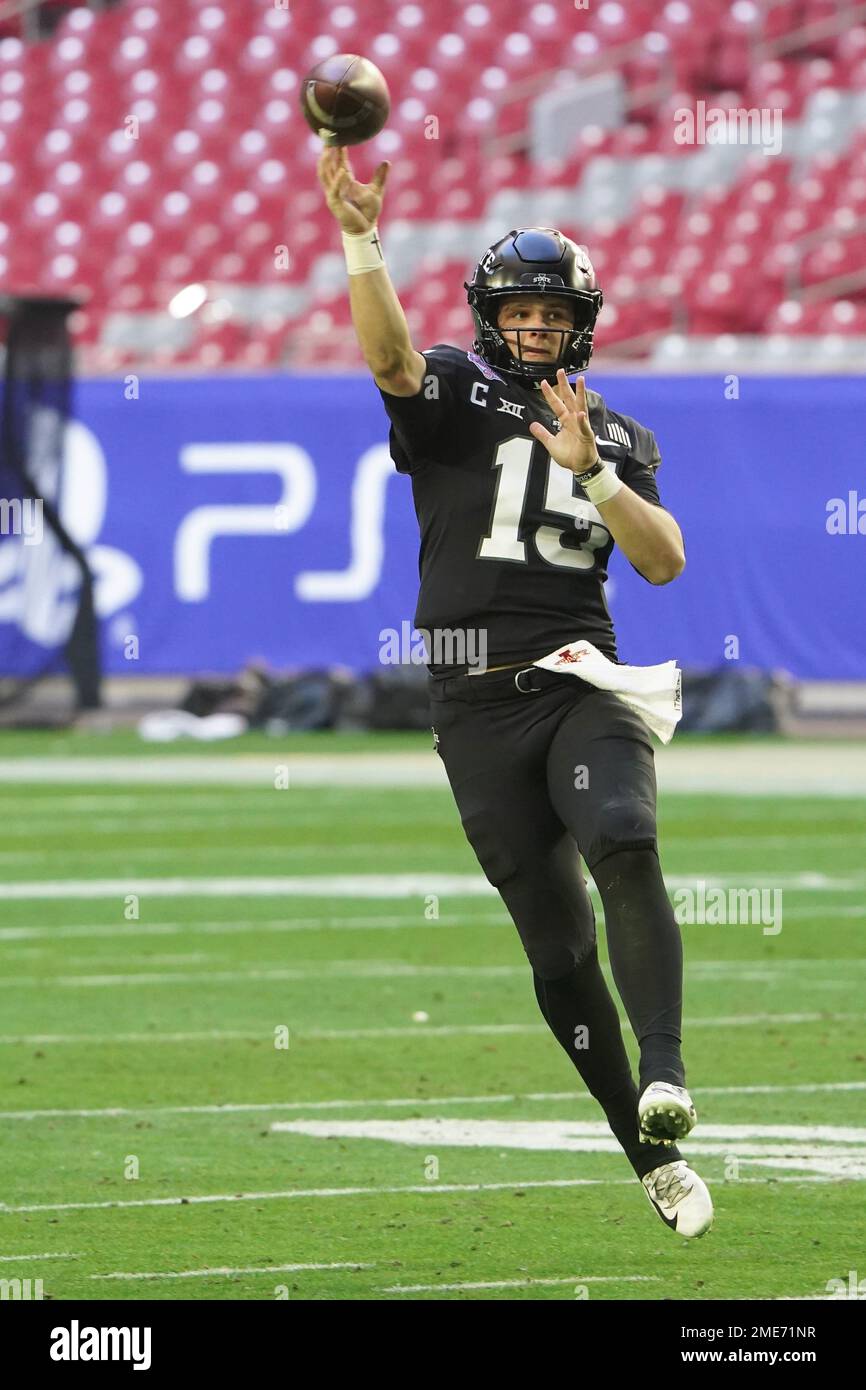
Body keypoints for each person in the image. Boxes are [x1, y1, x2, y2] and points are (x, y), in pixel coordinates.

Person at [317, 145, 713, 1239]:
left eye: (551, 312)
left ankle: (667, 1070)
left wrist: (590, 467)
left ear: (579, 321)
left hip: (577, 678)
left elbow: (664, 559)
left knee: (624, 837)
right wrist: (361, 239)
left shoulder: (619, 430)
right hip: (471, 704)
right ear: (492, 315)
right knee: (555, 945)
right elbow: (391, 359)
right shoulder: (450, 389)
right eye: (519, 310)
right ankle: (646, 1152)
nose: (535, 327)